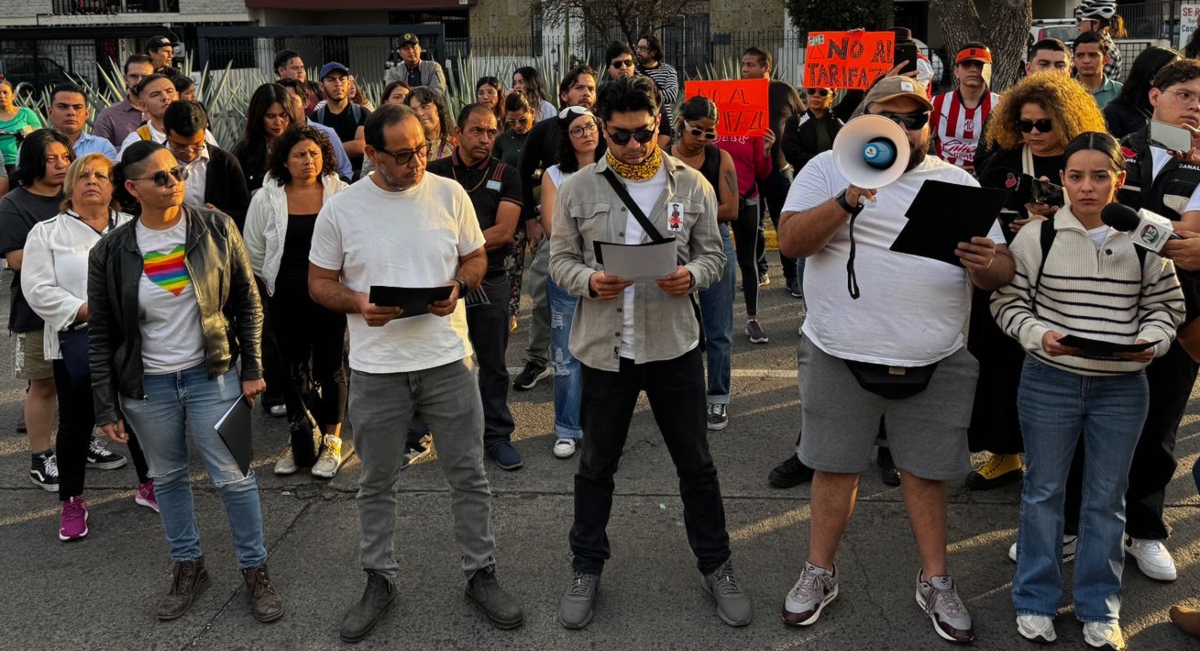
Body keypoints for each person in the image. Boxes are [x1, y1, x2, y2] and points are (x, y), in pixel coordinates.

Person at [775, 76, 1014, 643]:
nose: (905, 129)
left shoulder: (957, 181)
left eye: (916, 119)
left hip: (936, 356)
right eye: (892, 117)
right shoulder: (828, 169)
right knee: (834, 468)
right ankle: (819, 571)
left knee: (927, 474)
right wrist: (847, 199)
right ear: (865, 120)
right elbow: (790, 243)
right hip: (838, 352)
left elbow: (1001, 272)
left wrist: (986, 263)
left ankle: (935, 578)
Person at [308, 103, 522, 641]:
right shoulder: (342, 208)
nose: (416, 162)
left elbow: (475, 258)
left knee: (468, 474)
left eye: (423, 148)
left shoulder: (450, 193)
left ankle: (481, 572)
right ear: (372, 153)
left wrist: (460, 284)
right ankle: (379, 577)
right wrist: (357, 302)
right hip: (377, 368)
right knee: (376, 480)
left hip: (448, 359)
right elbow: (318, 282)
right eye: (402, 155)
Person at [549, 75, 749, 630]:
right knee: (596, 467)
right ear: (601, 132)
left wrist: (692, 274)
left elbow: (715, 258)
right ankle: (586, 566)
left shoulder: (694, 185)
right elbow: (560, 260)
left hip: (673, 347)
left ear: (659, 124)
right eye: (621, 136)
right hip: (605, 350)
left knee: (696, 465)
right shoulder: (579, 189)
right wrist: (591, 281)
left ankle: (717, 565)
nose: (635, 146)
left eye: (644, 133)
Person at [990, 131, 1183, 649]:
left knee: (1106, 501)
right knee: (1043, 493)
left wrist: (1154, 340)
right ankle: (1034, 599)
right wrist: (1038, 335)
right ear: (1061, 180)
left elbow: (1168, 306)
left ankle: (1101, 607)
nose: (1088, 187)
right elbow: (1008, 304)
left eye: (1101, 176)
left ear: (1119, 179)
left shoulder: (1150, 235)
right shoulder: (1038, 236)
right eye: (1076, 176)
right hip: (1049, 381)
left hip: (1123, 389)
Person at [89, 141, 282, 623]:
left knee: (235, 478)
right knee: (169, 478)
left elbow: (247, 301)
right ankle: (188, 568)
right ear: (132, 188)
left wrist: (253, 368)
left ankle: (255, 572)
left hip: (213, 375)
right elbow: (101, 334)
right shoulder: (110, 251)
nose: (174, 181)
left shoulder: (216, 228)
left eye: (175, 172)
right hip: (147, 387)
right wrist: (105, 406)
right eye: (160, 177)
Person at [971, 72, 1108, 493]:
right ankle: (1004, 452)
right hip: (1012, 275)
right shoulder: (1005, 162)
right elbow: (983, 215)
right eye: (1025, 124)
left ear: (1067, 120)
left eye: (1043, 125)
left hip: (1070, 278)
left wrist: (1059, 219)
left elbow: (1114, 209)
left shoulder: (1089, 159)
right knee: (997, 365)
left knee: (1061, 367)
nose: (1033, 133)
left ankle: (1059, 460)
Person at [1093, 57, 1200, 584]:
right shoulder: (1115, 145)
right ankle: (1073, 523)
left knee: (1160, 427)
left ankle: (1145, 527)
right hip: (1103, 304)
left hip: (1183, 316)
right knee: (1086, 422)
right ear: (1154, 95)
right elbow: (1092, 213)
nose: (1196, 105)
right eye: (1185, 93)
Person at [22, 154, 156, 540]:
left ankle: (149, 484)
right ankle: (72, 500)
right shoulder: (47, 232)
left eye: (101, 175)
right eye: (84, 176)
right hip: (77, 340)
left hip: (136, 340)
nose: (93, 181)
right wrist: (84, 310)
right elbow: (37, 288)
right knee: (78, 423)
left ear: (116, 186)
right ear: (71, 186)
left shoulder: (135, 227)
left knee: (139, 416)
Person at [0, 130, 105, 493]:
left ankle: (84, 441)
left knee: (83, 383)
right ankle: (41, 455)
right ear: (32, 162)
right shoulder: (15, 203)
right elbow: (15, 260)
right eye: (51, 159)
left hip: (86, 312)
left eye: (65, 157)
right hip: (36, 312)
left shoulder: (79, 195)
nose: (62, 164)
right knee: (44, 385)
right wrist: (56, 252)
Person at [243, 126, 348, 479]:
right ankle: (301, 434)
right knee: (292, 366)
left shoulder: (341, 194)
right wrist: (273, 283)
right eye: (300, 155)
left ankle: (332, 439)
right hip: (286, 292)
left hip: (331, 291)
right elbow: (254, 249)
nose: (308, 161)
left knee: (331, 365)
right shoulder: (266, 198)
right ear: (285, 161)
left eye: (315, 154)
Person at [426, 104, 521, 467]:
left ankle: (497, 436)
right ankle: (421, 432)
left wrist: (458, 246)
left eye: (491, 131)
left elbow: (504, 232)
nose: (485, 138)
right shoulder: (433, 173)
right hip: (437, 280)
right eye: (477, 131)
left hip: (490, 278)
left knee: (493, 363)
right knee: (433, 358)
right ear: (457, 134)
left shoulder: (506, 174)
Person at [512, 65, 599, 392]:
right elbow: (523, 173)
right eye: (578, 87)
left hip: (598, 242)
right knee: (543, 299)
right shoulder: (544, 129)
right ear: (564, 95)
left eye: (590, 88)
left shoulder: (600, 130)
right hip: (556, 237)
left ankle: (595, 364)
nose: (586, 93)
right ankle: (537, 360)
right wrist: (532, 221)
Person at [671, 96, 739, 431]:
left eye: (710, 133)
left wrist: (691, 214)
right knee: (677, 326)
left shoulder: (720, 157)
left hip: (715, 243)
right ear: (681, 122)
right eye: (698, 131)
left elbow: (732, 208)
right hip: (673, 244)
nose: (703, 139)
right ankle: (681, 394)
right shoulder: (662, 155)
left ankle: (718, 399)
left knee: (718, 328)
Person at [538, 106, 601, 459]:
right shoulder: (554, 176)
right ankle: (566, 428)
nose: (586, 134)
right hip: (567, 275)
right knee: (565, 355)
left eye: (590, 126)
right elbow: (552, 229)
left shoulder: (614, 168)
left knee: (606, 352)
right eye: (577, 130)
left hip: (610, 274)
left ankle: (599, 424)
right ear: (566, 137)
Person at [742, 46, 805, 299]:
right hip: (750, 173)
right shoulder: (738, 93)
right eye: (743, 65)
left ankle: (791, 276)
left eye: (751, 65)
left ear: (766, 67)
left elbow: (803, 118)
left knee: (784, 225)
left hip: (779, 170)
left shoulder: (784, 91)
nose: (745, 70)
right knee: (753, 226)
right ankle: (760, 271)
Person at [715, 98, 773, 343]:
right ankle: (714, 319)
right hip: (717, 203)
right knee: (715, 262)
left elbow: (762, 172)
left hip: (748, 199)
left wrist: (767, 152)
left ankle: (752, 319)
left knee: (748, 262)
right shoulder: (711, 130)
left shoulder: (753, 130)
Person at [162, 101, 251, 229]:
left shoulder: (225, 163)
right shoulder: (153, 163)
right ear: (165, 132)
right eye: (180, 146)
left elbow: (245, 213)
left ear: (205, 131)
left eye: (197, 145)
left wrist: (221, 216)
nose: (189, 151)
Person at [495, 92, 535, 327]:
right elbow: (496, 174)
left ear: (532, 113)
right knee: (512, 263)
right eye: (512, 122)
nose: (518, 126)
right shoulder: (502, 141)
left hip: (540, 206)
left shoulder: (540, 135)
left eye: (522, 120)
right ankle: (510, 311)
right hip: (513, 208)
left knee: (543, 265)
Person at [930, 44, 1001, 174]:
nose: (973, 69)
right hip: (945, 176)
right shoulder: (937, 103)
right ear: (956, 72)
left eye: (979, 65)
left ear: (988, 71)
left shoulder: (1001, 105)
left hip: (986, 179)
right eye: (966, 65)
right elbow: (924, 142)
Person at [118, 74, 219, 157]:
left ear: (178, 96)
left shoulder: (200, 132)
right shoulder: (137, 140)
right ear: (143, 105)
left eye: (169, 91)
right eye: (155, 94)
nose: (165, 97)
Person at [275, 78, 353, 182]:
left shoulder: (326, 134)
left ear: (305, 103)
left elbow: (344, 171)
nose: (286, 107)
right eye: (282, 102)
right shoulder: (275, 137)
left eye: (292, 101)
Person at [232, 83, 302, 193]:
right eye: (271, 116)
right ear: (258, 116)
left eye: (283, 115)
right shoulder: (244, 152)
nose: (278, 122)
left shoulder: (302, 145)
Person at [1103, 46, 1180, 139]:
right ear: (1152, 77)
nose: (1181, 77)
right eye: (1174, 72)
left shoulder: (1182, 110)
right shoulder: (1114, 113)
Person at [315, 62, 370, 176]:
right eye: (331, 79)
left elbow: (360, 147)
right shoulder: (314, 118)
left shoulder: (362, 113)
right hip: (327, 181)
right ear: (321, 86)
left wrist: (325, 151)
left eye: (342, 79)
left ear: (349, 83)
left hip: (357, 180)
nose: (338, 84)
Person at [94, 54, 155, 149]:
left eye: (145, 76)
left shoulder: (165, 112)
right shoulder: (108, 116)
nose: (139, 81)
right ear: (125, 79)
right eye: (134, 76)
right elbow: (101, 154)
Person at [45, 83, 118, 160]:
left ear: (87, 113)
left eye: (77, 107)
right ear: (50, 112)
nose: (71, 112)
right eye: (63, 107)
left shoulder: (102, 147)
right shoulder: (36, 146)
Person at [781, 87, 843, 176]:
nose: (816, 95)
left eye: (823, 92)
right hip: (806, 178)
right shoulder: (795, 121)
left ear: (832, 96)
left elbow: (854, 97)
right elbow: (791, 153)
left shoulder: (838, 119)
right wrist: (823, 161)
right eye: (811, 91)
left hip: (834, 178)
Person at [0, 79, 44, 177]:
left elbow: (40, 137)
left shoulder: (26, 114)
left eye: (5, 92)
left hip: (21, 162)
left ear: (13, 96)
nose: (2, 96)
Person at [635, 34, 679, 127]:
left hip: (664, 126)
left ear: (653, 52)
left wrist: (644, 96)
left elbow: (671, 95)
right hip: (642, 124)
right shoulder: (634, 72)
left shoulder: (668, 71)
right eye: (638, 47)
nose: (638, 51)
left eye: (643, 48)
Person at [1077, 0, 1125, 81]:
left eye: (1081, 21)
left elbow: (1093, 87)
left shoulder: (1108, 51)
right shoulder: (1091, 44)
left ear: (1095, 24)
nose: (1078, 26)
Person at [1073, 31, 1122, 109]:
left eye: (1093, 55)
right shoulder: (1064, 91)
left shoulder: (1120, 92)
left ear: (1106, 59)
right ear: (1074, 60)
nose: (1086, 61)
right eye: (1080, 55)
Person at [407, 86, 454, 161]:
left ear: (438, 109)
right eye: (414, 110)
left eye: (425, 107)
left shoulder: (457, 145)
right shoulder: (408, 150)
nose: (419, 113)